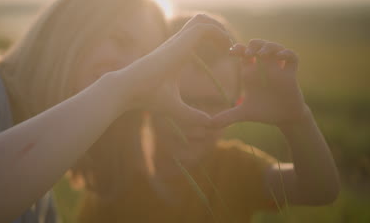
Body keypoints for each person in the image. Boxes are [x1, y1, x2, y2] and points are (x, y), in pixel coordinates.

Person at [0, 0, 231, 222]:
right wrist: (118, 89)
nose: (131, 68)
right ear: (70, 32)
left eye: (143, 60)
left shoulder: (41, 199)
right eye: (121, 41)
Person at [71, 13, 340, 223]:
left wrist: (296, 119)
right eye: (185, 100)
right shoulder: (115, 181)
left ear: (238, 100)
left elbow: (319, 189)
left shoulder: (236, 169)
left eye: (215, 103)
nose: (197, 118)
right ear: (145, 94)